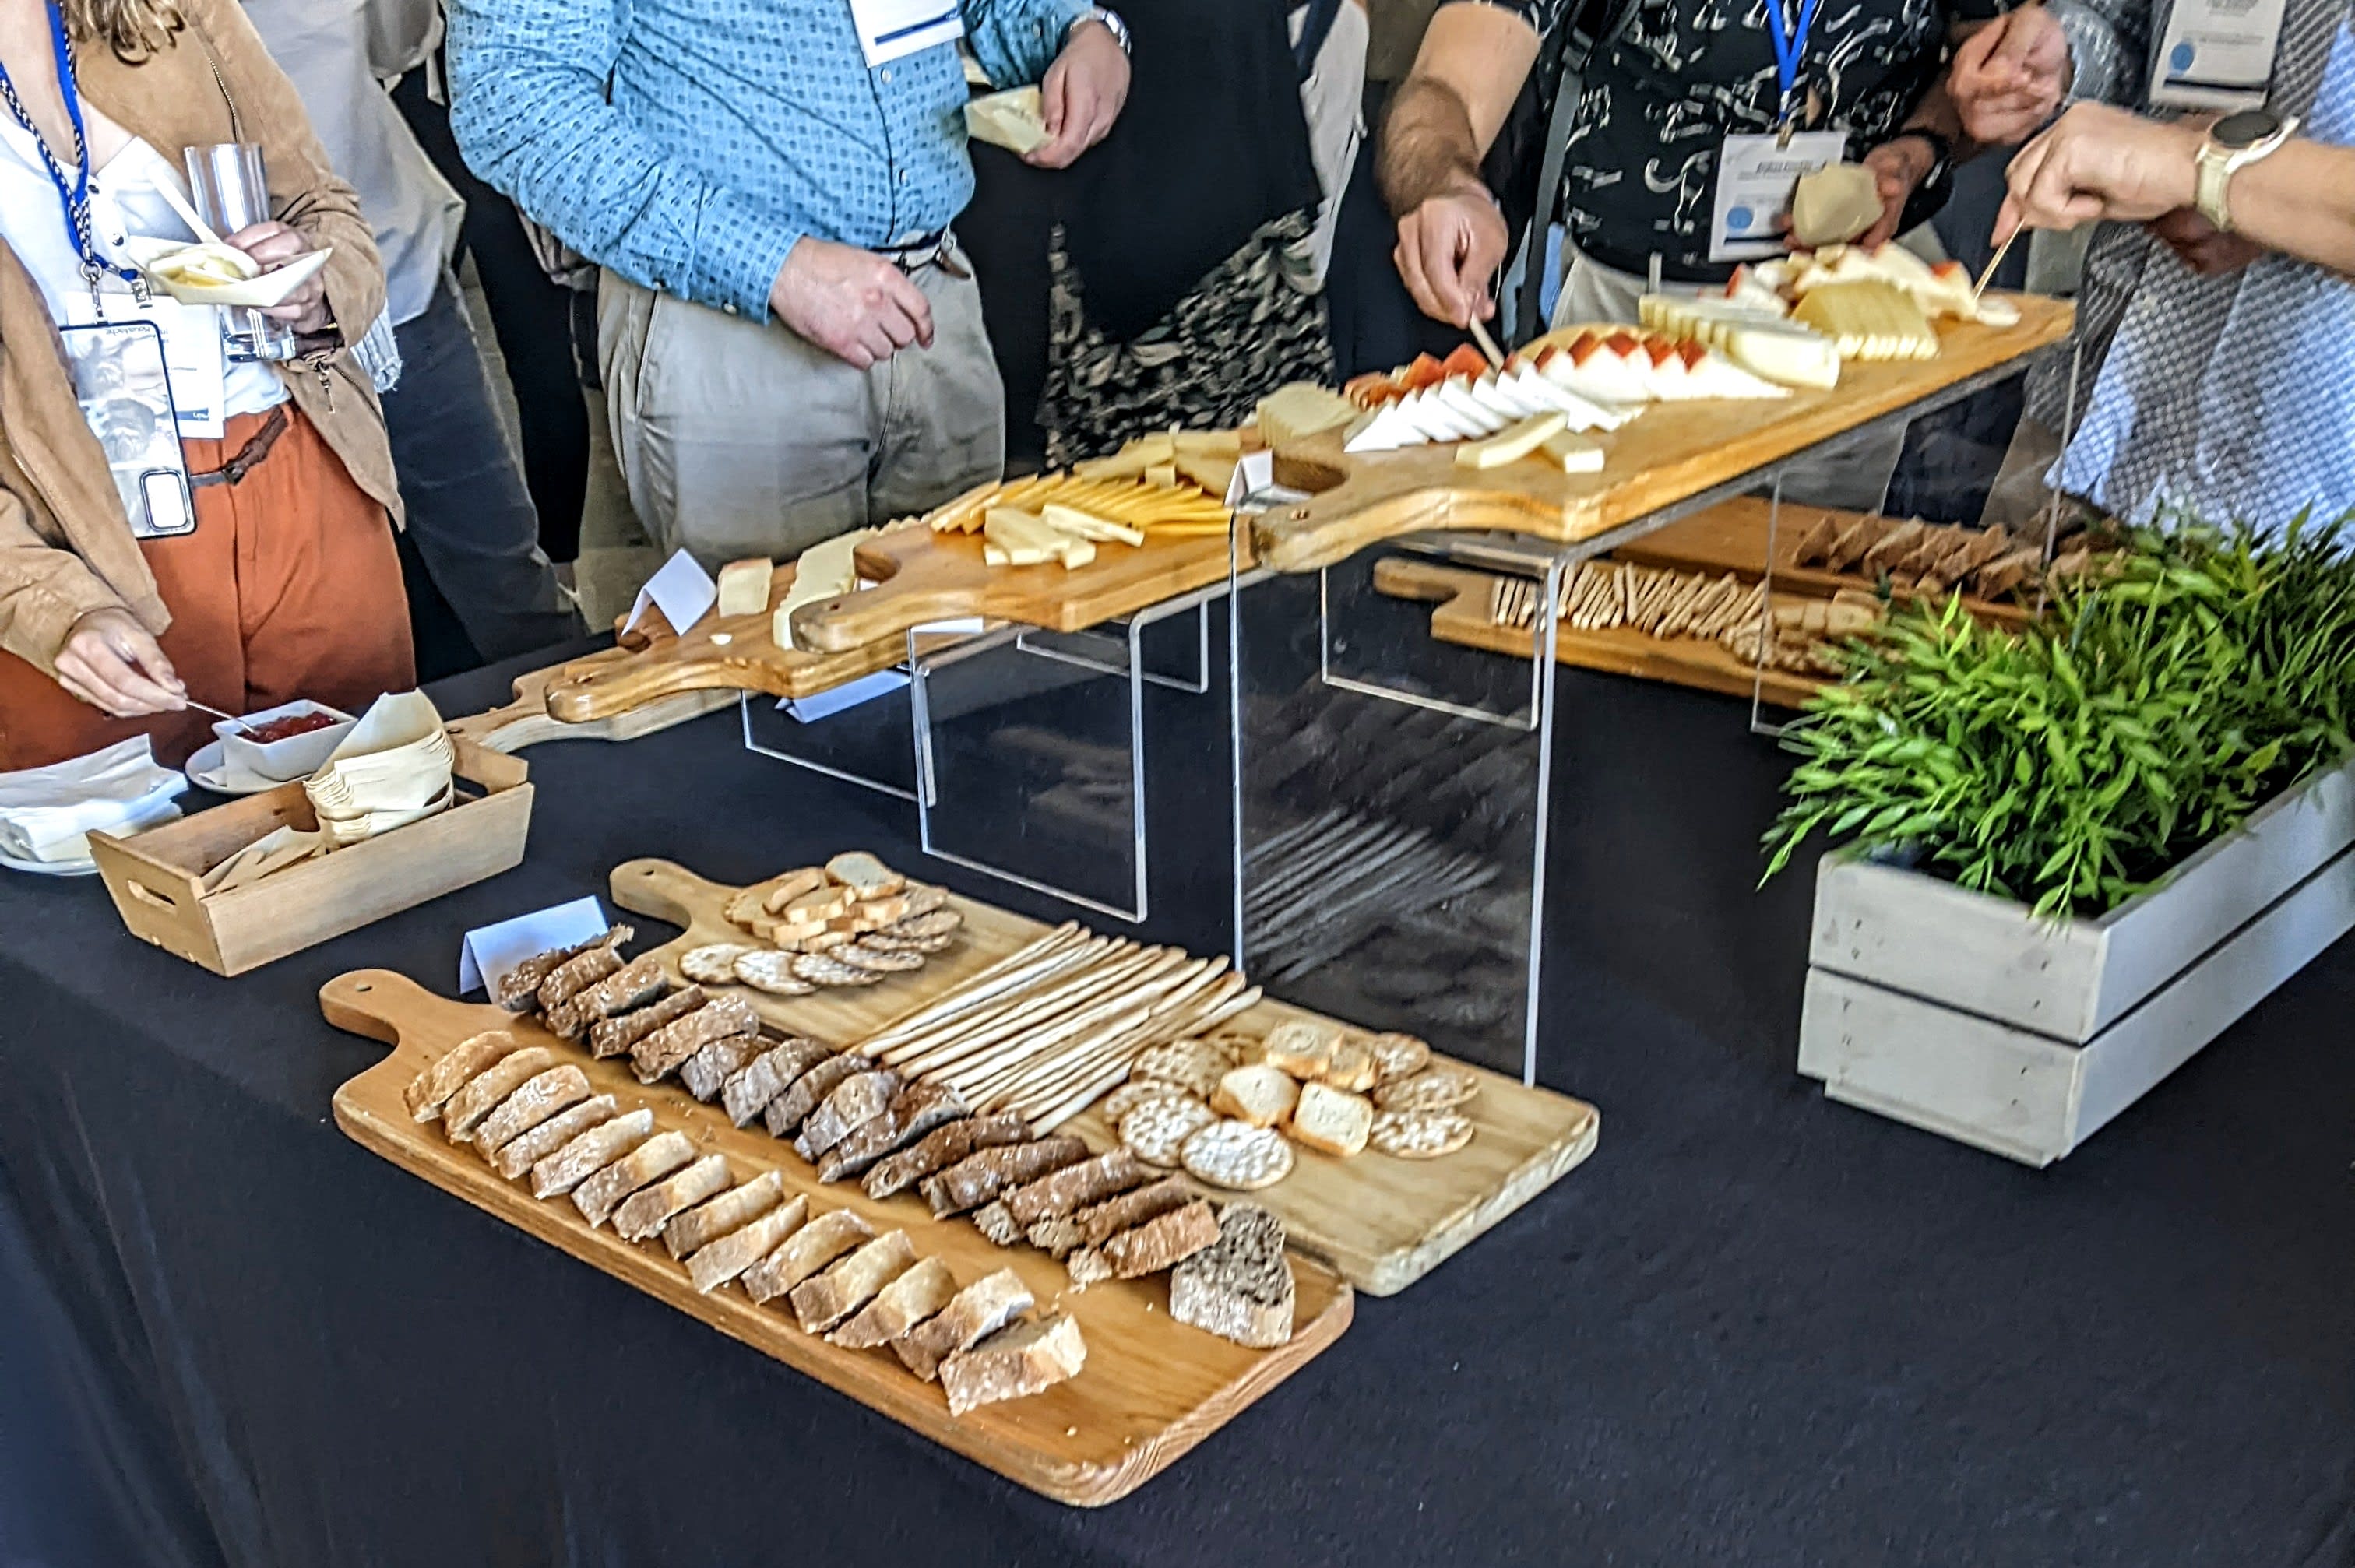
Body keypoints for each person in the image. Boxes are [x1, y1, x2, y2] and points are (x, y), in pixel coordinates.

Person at [442, 0, 1132, 571]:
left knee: (953, 669)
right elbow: (512, 96)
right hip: (732, 331)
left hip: (931, 304)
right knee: (772, 693)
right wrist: (776, 266)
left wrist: (1079, 30)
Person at [0, 0, 413, 771]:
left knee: (377, 824)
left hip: (298, 475)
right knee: (131, 875)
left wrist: (311, 284)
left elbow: (324, 211)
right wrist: (46, 606)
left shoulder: (166, 7)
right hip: (79, 556)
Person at [245, 0, 583, 680]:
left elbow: (400, 43)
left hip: (371, 282)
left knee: (475, 573)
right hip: (313, 298)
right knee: (477, 572)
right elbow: (399, 44)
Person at [1378, 0, 2026, 332]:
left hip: (1854, 305)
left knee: (1826, 573)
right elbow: (1445, 89)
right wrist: (1448, 186)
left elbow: (1986, 78)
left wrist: (1919, 152)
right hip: (1634, 312)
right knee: (1614, 584)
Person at [1955, 0, 2355, 532]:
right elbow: (2123, 20)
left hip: (2308, 488)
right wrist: (2061, 58)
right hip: (2097, 412)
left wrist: (2209, 175)